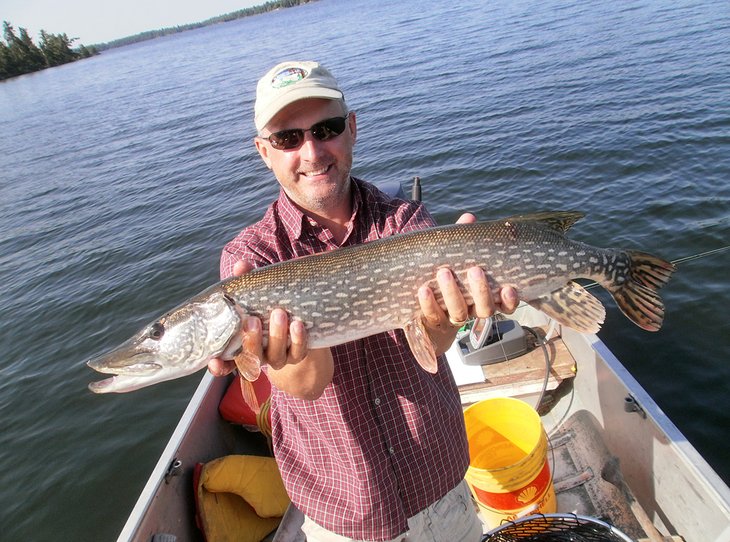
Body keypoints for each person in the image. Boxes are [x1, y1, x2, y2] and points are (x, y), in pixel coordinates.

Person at [209, 60, 518, 542]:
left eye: (327, 128)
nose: (311, 151)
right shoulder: (251, 257)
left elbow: (433, 342)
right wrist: (277, 346)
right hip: (346, 509)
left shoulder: (404, 219)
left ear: (351, 128)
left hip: (439, 481)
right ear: (264, 152)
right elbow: (307, 385)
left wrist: (449, 320)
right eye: (288, 139)